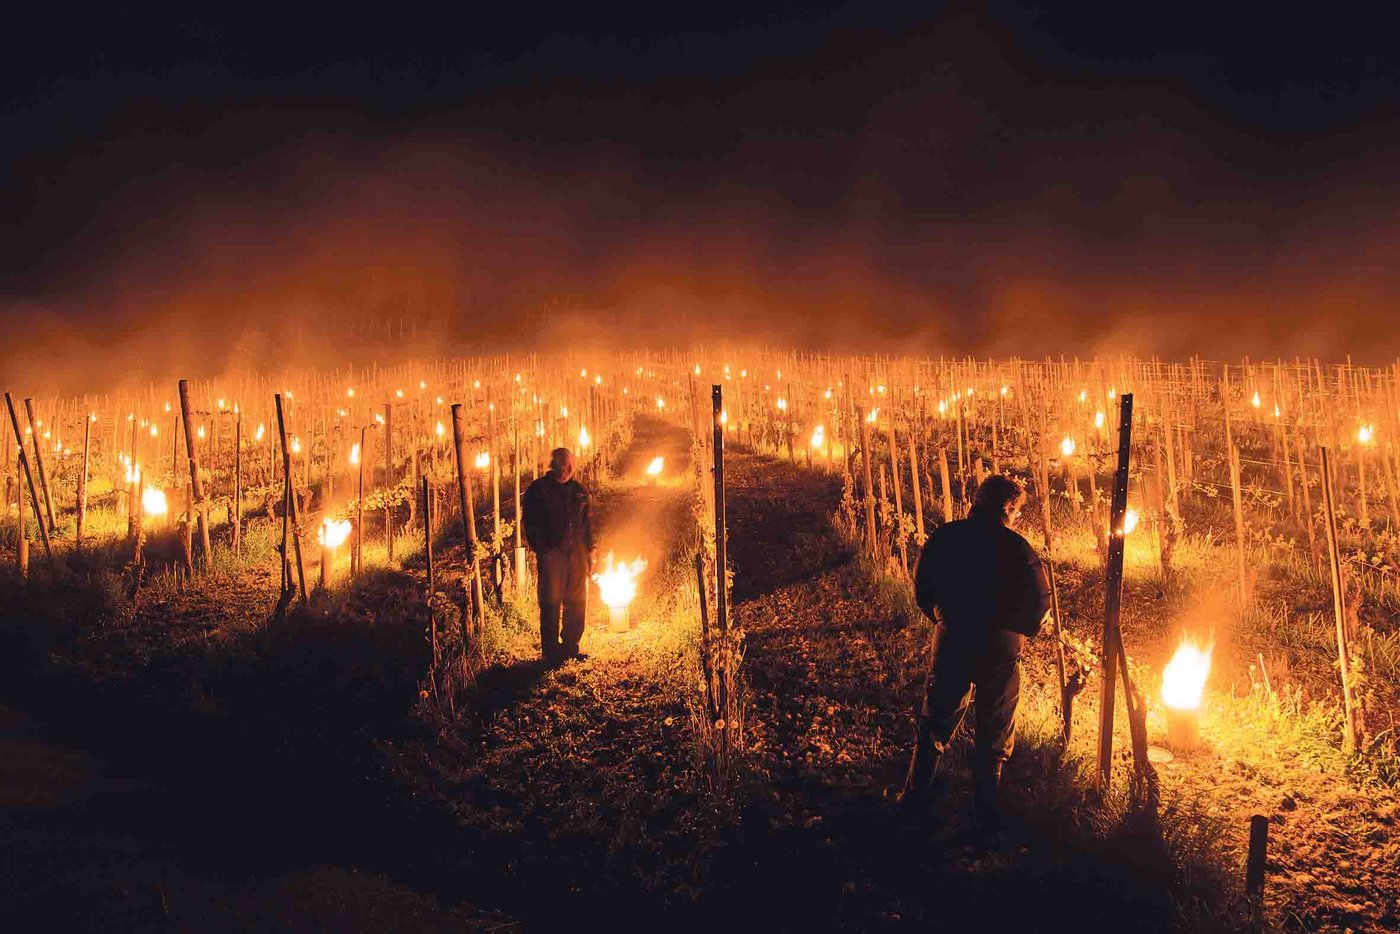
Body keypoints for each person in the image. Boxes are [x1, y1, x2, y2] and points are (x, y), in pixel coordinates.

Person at [900, 474, 1051, 831]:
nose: (1017, 519)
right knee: (994, 731)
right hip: (1000, 648)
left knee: (936, 721)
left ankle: (914, 799)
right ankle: (985, 815)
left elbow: (923, 585)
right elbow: (1040, 603)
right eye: (1017, 512)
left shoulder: (945, 537)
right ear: (1008, 508)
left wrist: (942, 618)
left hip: (952, 638)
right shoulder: (1019, 549)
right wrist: (1020, 633)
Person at [522, 447, 596, 664]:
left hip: (577, 551)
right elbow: (530, 521)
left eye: (571, 464)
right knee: (551, 600)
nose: (569, 468)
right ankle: (551, 651)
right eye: (564, 464)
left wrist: (591, 548)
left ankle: (571, 645)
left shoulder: (578, 491)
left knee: (577, 599)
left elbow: (586, 521)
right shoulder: (539, 490)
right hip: (552, 552)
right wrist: (541, 548)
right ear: (554, 465)